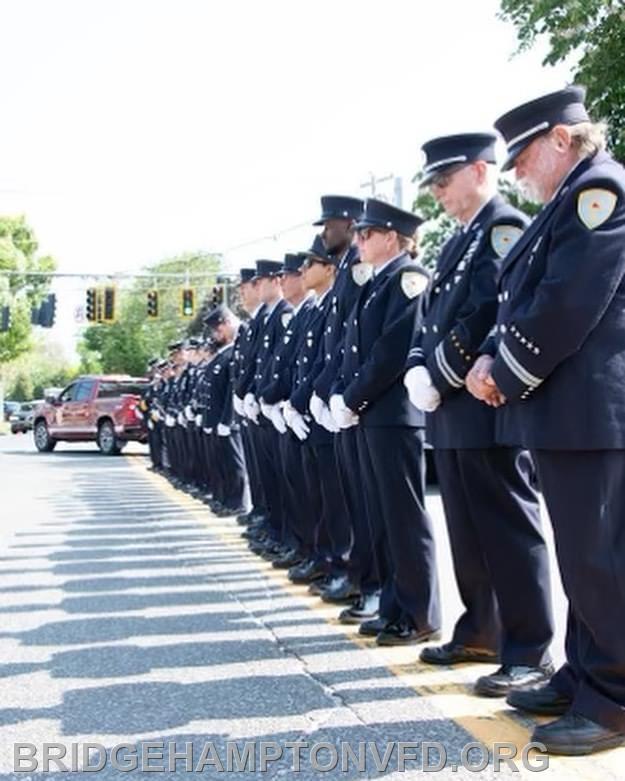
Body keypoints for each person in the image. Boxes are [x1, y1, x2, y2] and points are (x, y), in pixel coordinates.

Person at [467, 85, 625, 754]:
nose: (518, 173)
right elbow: (518, 299)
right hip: (567, 409)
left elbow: (567, 302)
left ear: (560, 139)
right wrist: (487, 356)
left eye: (524, 155)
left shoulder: (601, 191)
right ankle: (585, 672)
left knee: (599, 558)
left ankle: (614, 697)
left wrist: (502, 371)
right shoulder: (567, 199)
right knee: (580, 558)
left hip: (592, 410)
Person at [404, 133, 555, 697]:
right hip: (452, 408)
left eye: (445, 179)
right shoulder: (455, 242)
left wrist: (438, 371)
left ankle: (529, 650)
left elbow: (488, 311)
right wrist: (421, 364)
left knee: (508, 529)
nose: (438, 192)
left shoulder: (502, 226)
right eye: (434, 183)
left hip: (485, 401)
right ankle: (481, 631)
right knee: (467, 532)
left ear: (478, 171)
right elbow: (434, 318)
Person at [331, 198, 441, 646]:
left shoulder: (407, 279)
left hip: (395, 416)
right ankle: (396, 605)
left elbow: (392, 351)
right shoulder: (377, 283)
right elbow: (355, 349)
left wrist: (352, 396)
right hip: (372, 414)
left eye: (366, 233)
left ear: (393, 237)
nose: (358, 240)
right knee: (381, 518)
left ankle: (420, 615)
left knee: (404, 519)